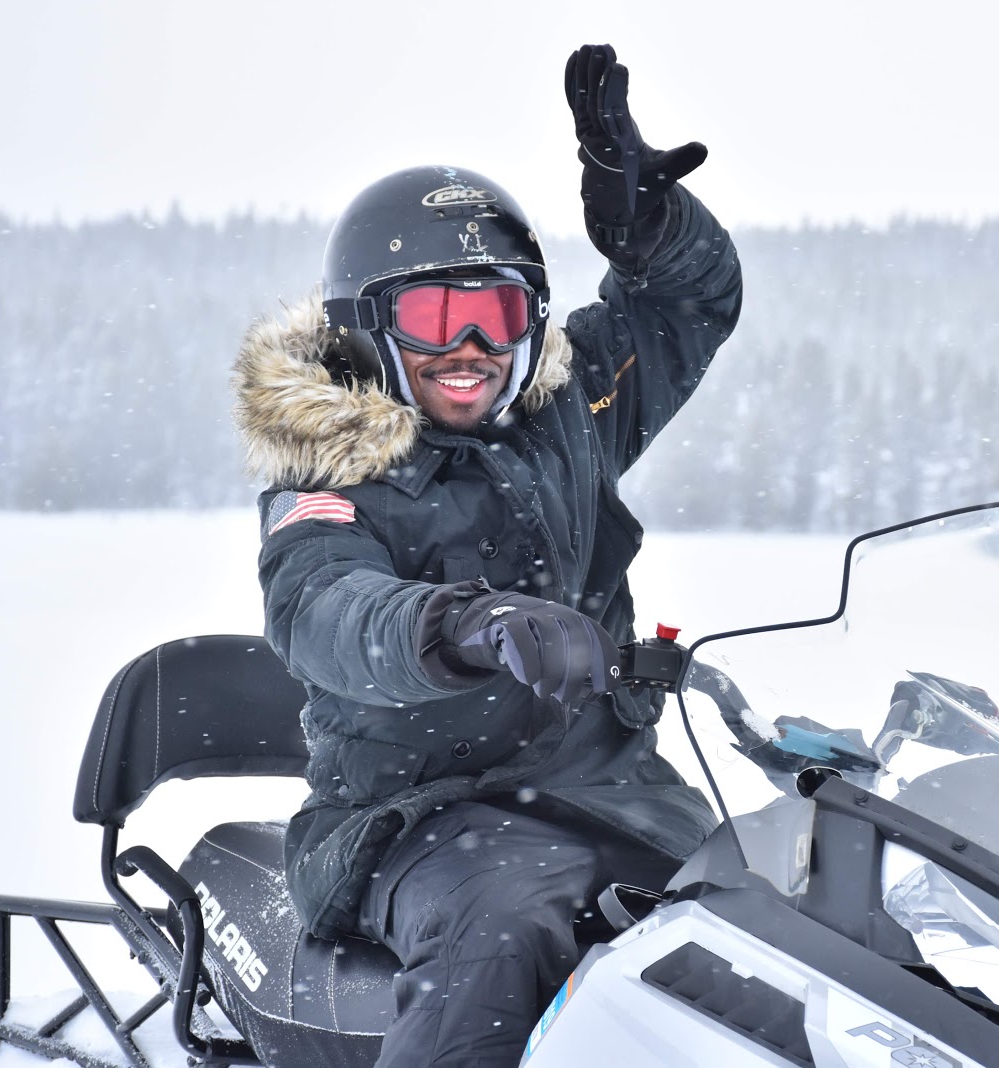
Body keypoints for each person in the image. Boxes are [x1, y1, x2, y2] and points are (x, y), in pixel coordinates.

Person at [230, 43, 742, 1067]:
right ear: (367, 328)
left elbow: (685, 309)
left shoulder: (569, 413)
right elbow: (326, 609)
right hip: (413, 818)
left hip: (622, 794)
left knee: (768, 923)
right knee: (506, 931)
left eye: (497, 313)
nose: (470, 347)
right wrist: (463, 624)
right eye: (434, 316)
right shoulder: (326, 480)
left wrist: (648, 228)